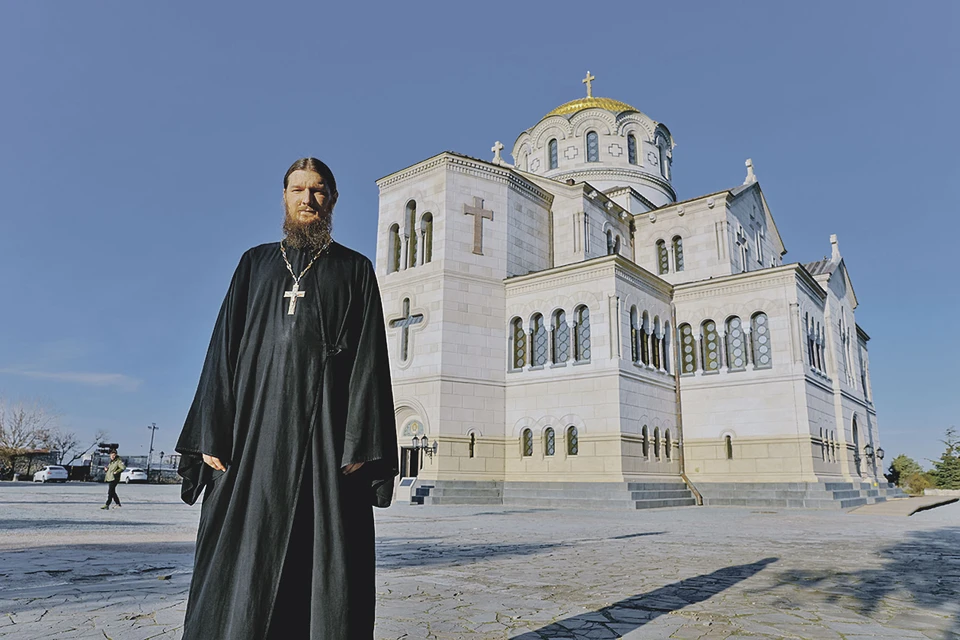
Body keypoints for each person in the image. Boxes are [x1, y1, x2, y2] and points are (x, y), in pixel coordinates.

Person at [175, 157, 398, 640]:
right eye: (298, 189)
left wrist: (362, 443)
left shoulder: (355, 270)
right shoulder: (254, 264)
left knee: (324, 563)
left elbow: (370, 360)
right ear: (284, 197)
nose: (307, 199)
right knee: (239, 562)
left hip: (326, 444)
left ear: (332, 200)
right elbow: (221, 351)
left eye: (318, 190)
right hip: (251, 440)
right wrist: (211, 432)